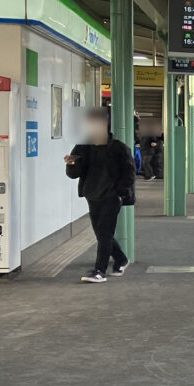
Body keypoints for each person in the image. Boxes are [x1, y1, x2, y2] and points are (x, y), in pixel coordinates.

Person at [65, 108, 134, 283]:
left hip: (111, 197)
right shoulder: (82, 147)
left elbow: (129, 173)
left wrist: (120, 193)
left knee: (104, 234)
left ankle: (99, 271)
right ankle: (121, 259)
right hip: (91, 195)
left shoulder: (119, 148)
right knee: (102, 234)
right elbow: (74, 174)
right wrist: (71, 164)